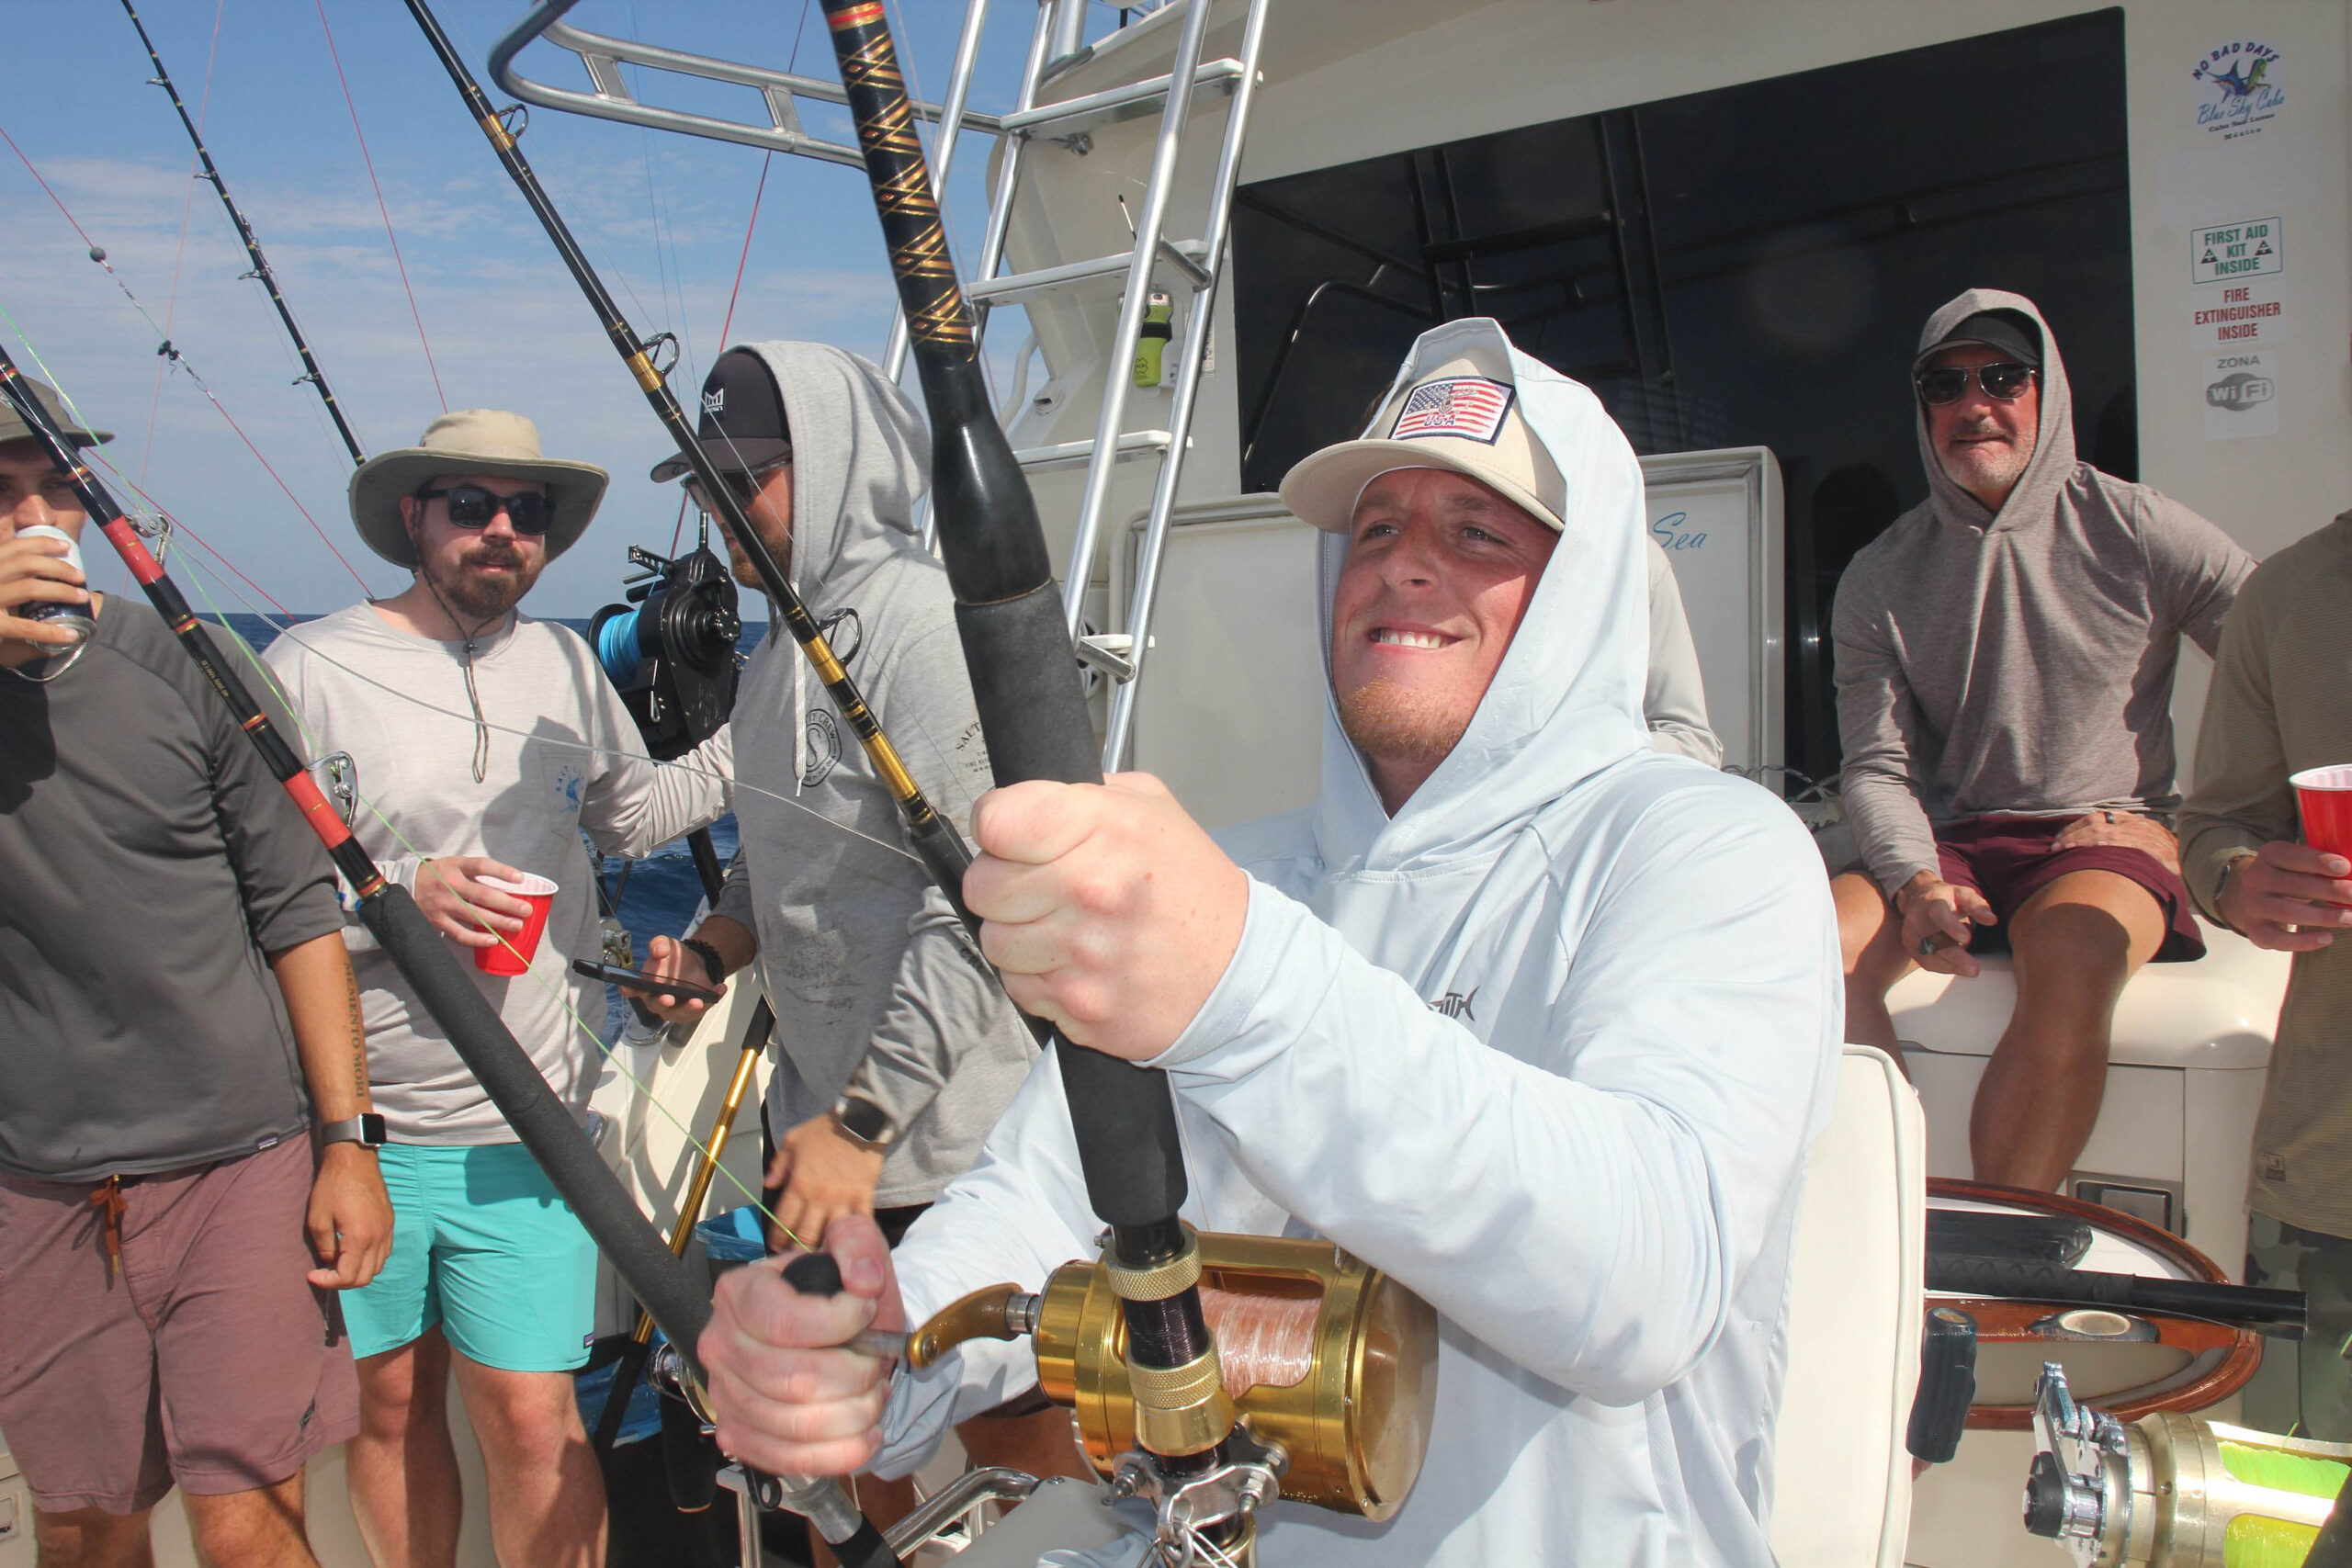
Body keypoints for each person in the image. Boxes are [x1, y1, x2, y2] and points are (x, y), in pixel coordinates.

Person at [694, 319, 1842, 1565]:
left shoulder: (1712, 849)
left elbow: (1648, 1277)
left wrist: (1242, 984)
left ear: (1583, 588)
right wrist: (884, 1341)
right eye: (1377, 529)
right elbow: (1044, 1200)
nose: (1406, 566)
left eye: (1478, 533)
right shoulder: (1245, 880)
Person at [262, 410, 734, 1568]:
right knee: (389, 1407)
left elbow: (636, 815)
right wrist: (398, 896)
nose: (502, 531)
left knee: (532, 1418)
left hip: (532, 1126)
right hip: (360, 1133)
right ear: (414, 517)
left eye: (528, 512)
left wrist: (767, 722)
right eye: (471, 505)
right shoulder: (307, 667)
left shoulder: (567, 664)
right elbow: (256, 893)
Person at [627, 344, 1053, 1515]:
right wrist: (709, 952)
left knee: (1036, 1468)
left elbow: (980, 902)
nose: (722, 513)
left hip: (953, 1152)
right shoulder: (776, 657)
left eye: (746, 480)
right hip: (823, 1159)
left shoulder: (920, 626)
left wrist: (865, 1125)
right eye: (705, 486)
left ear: (836, 460)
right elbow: (776, 863)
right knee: (841, 1470)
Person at [0, 378, 392, 1567]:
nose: (36, 519)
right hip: (38, 1182)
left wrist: (347, 1143)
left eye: (59, 487)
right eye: (0, 494)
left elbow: (298, 912)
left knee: (248, 1527)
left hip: (242, 1164)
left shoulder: (194, 662)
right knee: (83, 1523)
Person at [1832, 289, 2254, 1190]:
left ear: (2046, 391)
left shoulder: (2138, 528)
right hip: (1946, 841)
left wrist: (2202, 831)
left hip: (2095, 837)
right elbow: (1875, 768)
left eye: (2001, 377)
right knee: (1815, 951)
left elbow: (2280, 665)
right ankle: (1890, 1218)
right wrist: (1915, 880)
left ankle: (1998, 1242)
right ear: (1921, 407)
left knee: (2071, 956)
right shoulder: (1877, 575)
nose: (1973, 404)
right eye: (1944, 384)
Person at [2177, 512, 2352, 1439]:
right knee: (2306, 1501)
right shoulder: (2286, 598)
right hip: (2333, 1179)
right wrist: (2241, 880)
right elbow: (2217, 825)